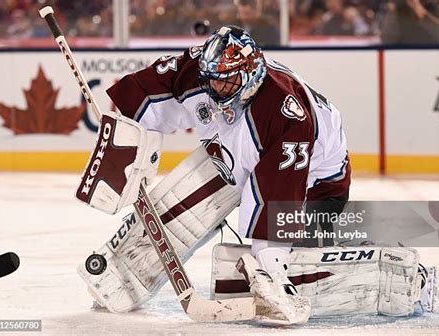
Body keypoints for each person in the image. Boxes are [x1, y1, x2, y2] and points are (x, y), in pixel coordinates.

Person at [106, 25, 351, 324]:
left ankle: (315, 253)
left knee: (294, 250)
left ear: (250, 72)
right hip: (247, 153)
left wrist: (272, 271)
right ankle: (121, 270)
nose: (217, 90)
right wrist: (120, 131)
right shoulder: (203, 69)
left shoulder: (288, 118)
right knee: (208, 179)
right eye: (213, 82)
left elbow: (280, 197)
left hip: (319, 184)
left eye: (227, 82)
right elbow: (149, 86)